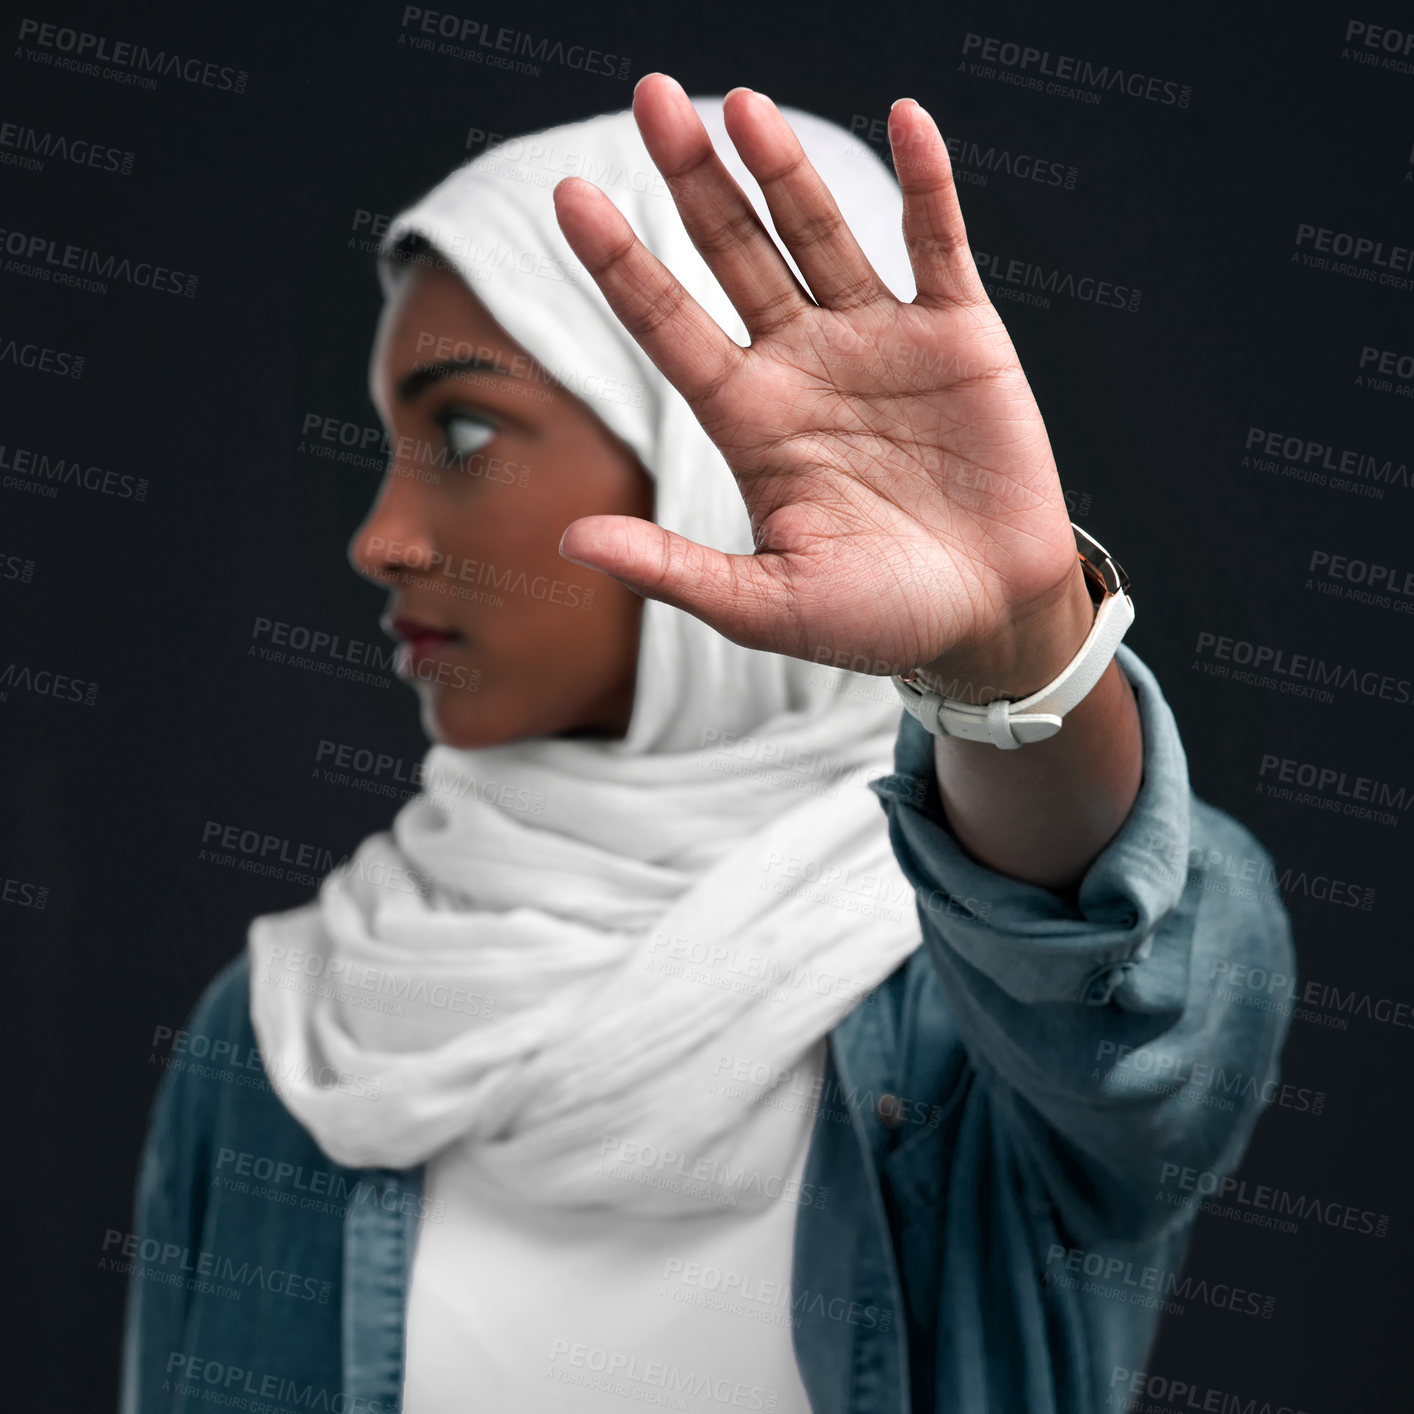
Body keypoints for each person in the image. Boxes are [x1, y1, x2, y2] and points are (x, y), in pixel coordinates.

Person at [119, 75, 1295, 1414]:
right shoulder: (282, 1038)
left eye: (458, 428)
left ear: (701, 460)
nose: (378, 537)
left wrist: (1012, 646)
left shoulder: (955, 1021)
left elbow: (1117, 983)